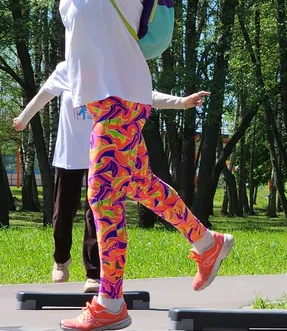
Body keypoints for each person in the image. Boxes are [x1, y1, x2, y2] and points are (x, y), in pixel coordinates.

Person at [0, 0, 233, 331]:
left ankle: (111, 303)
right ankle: (206, 242)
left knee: (101, 194)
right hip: (106, 99)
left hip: (121, 95)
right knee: (135, 183)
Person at [13, 60, 211, 294]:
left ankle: (94, 274)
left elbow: (145, 95)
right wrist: (23, 119)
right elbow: (42, 96)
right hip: (69, 154)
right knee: (62, 213)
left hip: (102, 154)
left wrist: (182, 103)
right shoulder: (66, 69)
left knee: (96, 214)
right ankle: (61, 259)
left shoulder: (111, 69)